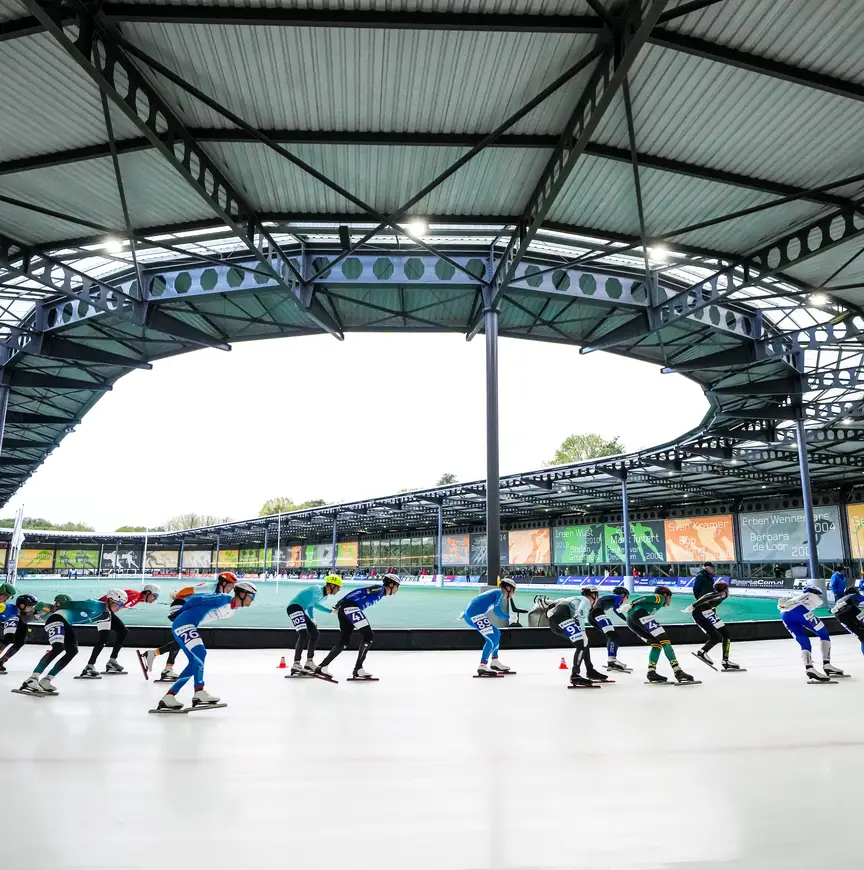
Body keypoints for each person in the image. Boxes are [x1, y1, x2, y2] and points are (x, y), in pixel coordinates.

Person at [155, 580, 257, 712]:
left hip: (188, 625)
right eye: (252, 596)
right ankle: (199, 692)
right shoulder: (223, 598)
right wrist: (179, 612)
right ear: (242, 594)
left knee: (195, 662)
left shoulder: (231, 611)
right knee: (200, 654)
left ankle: (169, 696)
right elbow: (195, 600)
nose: (253, 600)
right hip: (183, 623)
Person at [17, 592, 128, 696]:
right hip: (57, 618)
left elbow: (105, 632)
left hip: (66, 622)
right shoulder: (94, 605)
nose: (121, 607)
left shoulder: (105, 615)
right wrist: (55, 609)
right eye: (120, 603)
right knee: (58, 648)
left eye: (123, 605)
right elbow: (70, 604)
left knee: (73, 651)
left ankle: (47, 680)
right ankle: (32, 679)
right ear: (110, 600)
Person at [139, 572, 237, 681]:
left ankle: (154, 655)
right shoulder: (209, 588)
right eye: (230, 586)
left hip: (187, 609)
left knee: (184, 638)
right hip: (180, 606)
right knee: (185, 637)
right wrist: (178, 604)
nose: (231, 589)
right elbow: (186, 591)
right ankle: (165, 667)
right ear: (223, 583)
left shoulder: (218, 593)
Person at [314, 573, 401, 680]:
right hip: (350, 608)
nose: (397, 589)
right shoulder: (380, 589)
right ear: (391, 585)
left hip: (344, 610)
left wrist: (340, 603)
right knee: (369, 637)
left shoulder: (380, 592)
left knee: (344, 642)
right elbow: (359, 591)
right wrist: (341, 601)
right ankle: (358, 669)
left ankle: (322, 667)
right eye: (397, 586)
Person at [80, 584, 160, 678]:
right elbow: (110, 598)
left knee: (122, 632)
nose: (155, 599)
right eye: (155, 596)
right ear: (147, 592)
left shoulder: (137, 599)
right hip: (103, 611)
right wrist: (97, 608)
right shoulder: (134, 595)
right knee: (105, 638)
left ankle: (111, 661)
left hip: (107, 612)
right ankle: (90, 666)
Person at [624, 585, 695, 684]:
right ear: (665, 595)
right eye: (670, 597)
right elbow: (645, 597)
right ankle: (678, 671)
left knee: (656, 644)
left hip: (630, 621)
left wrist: (631, 606)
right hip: (640, 614)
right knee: (665, 641)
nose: (670, 600)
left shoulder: (657, 603)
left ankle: (651, 672)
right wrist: (630, 604)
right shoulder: (660, 598)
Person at [778, 585, 845, 683]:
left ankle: (809, 668)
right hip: (799, 610)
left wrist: (790, 602)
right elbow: (811, 598)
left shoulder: (796, 598)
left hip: (784, 615)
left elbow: (785, 603)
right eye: (819, 595)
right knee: (823, 633)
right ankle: (827, 664)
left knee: (804, 642)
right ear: (815, 592)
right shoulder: (810, 595)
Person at [548, 586, 609, 687]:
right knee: (581, 643)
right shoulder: (585, 601)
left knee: (584, 643)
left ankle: (590, 670)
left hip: (556, 621)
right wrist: (582, 631)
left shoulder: (575, 598)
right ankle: (575, 675)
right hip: (562, 618)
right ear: (594, 595)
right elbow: (580, 613)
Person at [286, 574, 342, 675]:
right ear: (331, 585)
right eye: (338, 587)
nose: (338, 590)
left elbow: (310, 605)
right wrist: (331, 611)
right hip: (294, 607)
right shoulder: (316, 589)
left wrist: (312, 619)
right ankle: (296, 663)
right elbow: (314, 604)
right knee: (304, 634)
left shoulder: (324, 597)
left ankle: (309, 662)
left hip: (301, 609)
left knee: (315, 633)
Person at [462, 577, 517, 677]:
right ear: (508, 588)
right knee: (492, 639)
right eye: (514, 590)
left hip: (472, 614)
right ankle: (482, 665)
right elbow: (497, 611)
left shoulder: (497, 592)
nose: (514, 593)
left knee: (497, 633)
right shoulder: (499, 593)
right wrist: (509, 617)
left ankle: (495, 661)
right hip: (474, 614)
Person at [686, 580, 742, 671]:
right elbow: (707, 597)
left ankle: (703, 651)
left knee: (716, 636)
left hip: (701, 613)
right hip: (704, 612)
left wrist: (694, 606)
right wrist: (693, 605)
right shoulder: (722, 594)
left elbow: (707, 598)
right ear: (724, 589)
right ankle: (725, 660)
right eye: (727, 588)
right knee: (725, 634)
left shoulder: (716, 594)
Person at [587, 585, 630, 672]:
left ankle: (612, 659)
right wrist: (627, 620)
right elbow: (616, 610)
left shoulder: (611, 597)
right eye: (627, 597)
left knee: (612, 636)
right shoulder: (618, 597)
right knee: (614, 636)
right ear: (623, 595)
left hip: (592, 616)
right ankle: (612, 660)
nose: (626, 599)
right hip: (598, 613)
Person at [0, 593, 41, 674]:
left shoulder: (22, 614)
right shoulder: (6, 607)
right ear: (22, 605)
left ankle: (2, 661)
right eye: (30, 607)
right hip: (13, 618)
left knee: (20, 642)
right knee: (8, 638)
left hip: (19, 619)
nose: (32, 609)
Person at [832, 586, 864, 657]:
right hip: (850, 611)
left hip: (839, 617)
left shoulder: (840, 600)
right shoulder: (853, 595)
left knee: (861, 636)